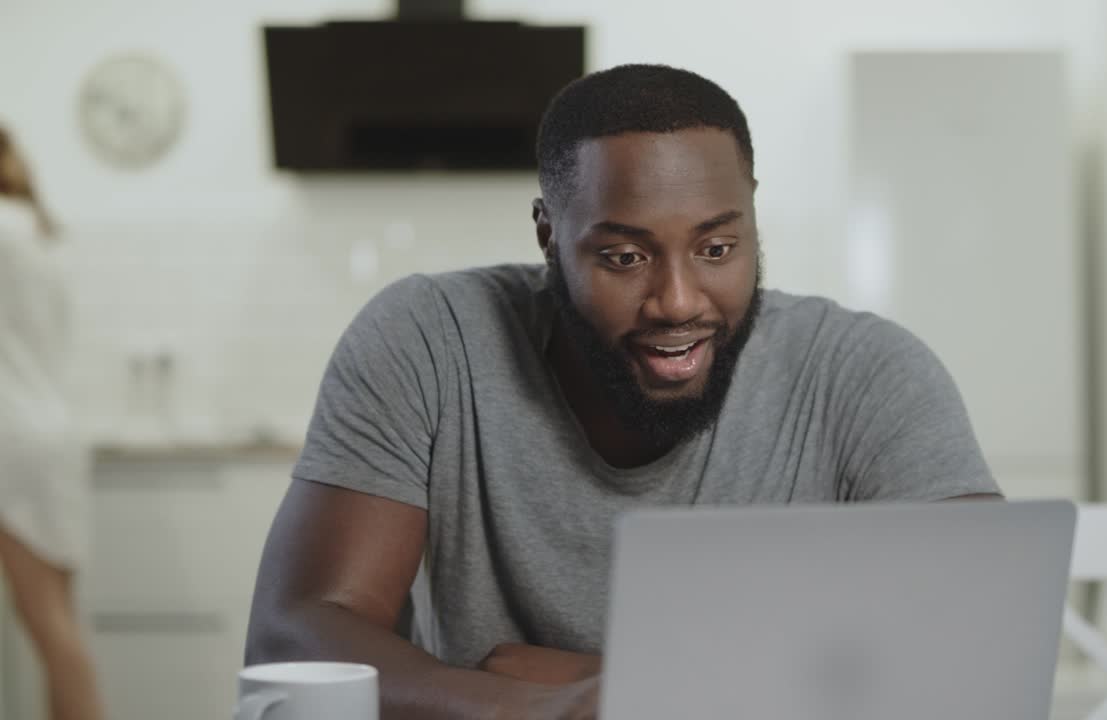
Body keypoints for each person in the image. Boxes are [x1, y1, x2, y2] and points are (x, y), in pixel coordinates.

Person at [245, 64, 1001, 719]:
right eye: (624, 255)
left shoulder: (865, 373)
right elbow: (299, 633)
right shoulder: (430, 340)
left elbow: (981, 646)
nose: (678, 300)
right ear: (548, 235)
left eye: (716, 248)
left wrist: (615, 689)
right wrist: (543, 711)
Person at [0, 126, 106, 720]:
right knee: (57, 621)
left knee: (48, 628)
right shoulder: (34, 233)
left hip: (9, 437)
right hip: (51, 433)